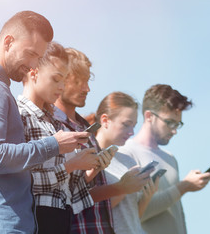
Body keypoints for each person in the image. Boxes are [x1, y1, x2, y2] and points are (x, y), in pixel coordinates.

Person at [0, 11, 90, 233]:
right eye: (31, 54)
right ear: (8, 42)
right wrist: (54, 144)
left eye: (39, 57)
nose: (33, 64)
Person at [53, 48, 151, 234]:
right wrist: (120, 188)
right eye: (78, 81)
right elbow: (68, 196)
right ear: (60, 80)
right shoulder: (52, 128)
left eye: (88, 81)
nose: (87, 89)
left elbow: (84, 186)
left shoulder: (85, 129)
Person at [17, 41, 100, 234]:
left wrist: (88, 168)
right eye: (56, 79)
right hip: (36, 219)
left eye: (64, 80)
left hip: (61, 218)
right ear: (33, 72)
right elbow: (21, 182)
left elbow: (65, 190)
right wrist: (71, 165)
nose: (61, 87)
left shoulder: (52, 123)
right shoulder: (18, 115)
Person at [118, 84, 210, 234]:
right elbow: (131, 215)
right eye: (170, 122)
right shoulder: (127, 153)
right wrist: (184, 187)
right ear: (149, 116)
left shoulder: (170, 158)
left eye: (178, 124)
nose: (175, 130)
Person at [87, 91, 160, 234]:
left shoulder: (128, 161)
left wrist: (146, 196)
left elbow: (132, 217)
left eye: (134, 125)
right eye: (126, 124)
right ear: (105, 120)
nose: (132, 132)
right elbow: (85, 211)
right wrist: (123, 189)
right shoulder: (87, 157)